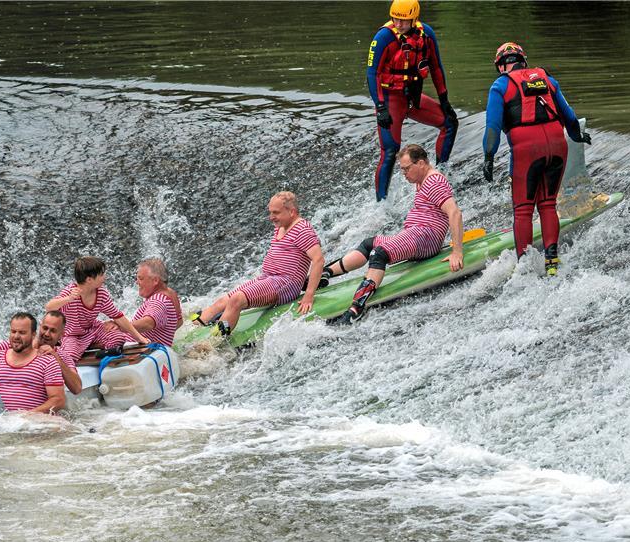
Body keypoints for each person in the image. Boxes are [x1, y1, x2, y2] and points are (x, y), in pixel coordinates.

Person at [481, 41, 590, 276]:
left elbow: (492, 127)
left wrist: (489, 157)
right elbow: (569, 116)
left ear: (501, 66)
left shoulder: (500, 86)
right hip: (558, 146)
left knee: (523, 211)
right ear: (524, 61)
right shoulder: (547, 80)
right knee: (548, 204)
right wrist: (578, 136)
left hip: (526, 151)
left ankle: (525, 269)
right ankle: (552, 262)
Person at [323, 144, 463, 326]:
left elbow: (455, 213)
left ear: (421, 163)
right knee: (368, 244)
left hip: (425, 238)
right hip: (417, 235)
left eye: (406, 169)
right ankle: (325, 273)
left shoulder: (433, 181)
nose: (404, 174)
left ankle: (355, 310)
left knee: (379, 253)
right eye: (402, 169)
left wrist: (457, 252)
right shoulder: (422, 179)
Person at [190, 192, 324, 336]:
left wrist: (308, 296)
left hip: (284, 284)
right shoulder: (281, 226)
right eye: (270, 212)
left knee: (236, 300)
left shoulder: (302, 230)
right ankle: (191, 326)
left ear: (291, 212)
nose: (271, 217)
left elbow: (318, 260)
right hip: (268, 278)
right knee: (221, 302)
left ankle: (215, 340)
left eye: (276, 213)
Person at [368, 0, 459, 202]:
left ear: (414, 18)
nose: (399, 24)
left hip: (413, 97)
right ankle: (381, 204)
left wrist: (444, 99)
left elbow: (436, 67)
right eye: (396, 19)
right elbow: (372, 73)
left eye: (404, 20)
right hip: (391, 99)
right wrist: (381, 106)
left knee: (450, 123)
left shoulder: (426, 34)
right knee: (390, 149)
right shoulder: (383, 37)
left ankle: (440, 176)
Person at [45, 256, 147, 366]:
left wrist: (139, 338)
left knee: (119, 338)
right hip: (72, 335)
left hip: (92, 330)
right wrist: (68, 299)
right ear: (89, 279)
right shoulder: (70, 292)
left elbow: (118, 316)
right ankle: (73, 347)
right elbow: (49, 307)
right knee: (69, 357)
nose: (105, 277)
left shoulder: (101, 294)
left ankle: (92, 347)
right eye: (101, 274)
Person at [0, 310, 83, 394]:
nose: (47, 334)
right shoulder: (16, 345)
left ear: (62, 334)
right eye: (45, 328)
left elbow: (77, 388)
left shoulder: (62, 356)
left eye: (53, 331)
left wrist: (56, 358)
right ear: (38, 328)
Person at [0, 312, 66, 413]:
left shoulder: (48, 361)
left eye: (22, 332)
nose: (16, 336)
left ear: (33, 334)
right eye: (13, 331)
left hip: (29, 423)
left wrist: (25, 417)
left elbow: (58, 400)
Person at [98, 258, 183, 347]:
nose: (137, 282)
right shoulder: (171, 293)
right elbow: (179, 321)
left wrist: (118, 326)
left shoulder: (158, 301)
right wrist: (163, 336)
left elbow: (148, 323)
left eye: (141, 278)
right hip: (147, 347)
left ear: (155, 280)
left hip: (138, 349)